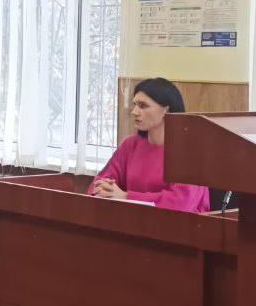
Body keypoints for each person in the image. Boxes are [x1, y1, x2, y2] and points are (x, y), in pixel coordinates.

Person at [89, 77, 209, 213]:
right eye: (135, 104)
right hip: (133, 220)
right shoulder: (130, 145)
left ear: (166, 110)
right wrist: (103, 188)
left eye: (143, 105)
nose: (134, 111)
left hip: (179, 224)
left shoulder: (189, 151)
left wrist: (127, 197)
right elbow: (98, 183)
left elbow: (181, 203)